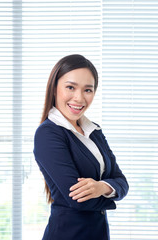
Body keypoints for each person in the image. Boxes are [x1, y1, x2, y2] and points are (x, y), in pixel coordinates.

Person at [33, 54, 129, 240]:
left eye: (88, 90)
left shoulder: (94, 131)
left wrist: (101, 187)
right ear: (54, 88)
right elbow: (77, 200)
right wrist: (112, 191)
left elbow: (122, 180)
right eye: (70, 87)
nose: (79, 98)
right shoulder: (48, 134)